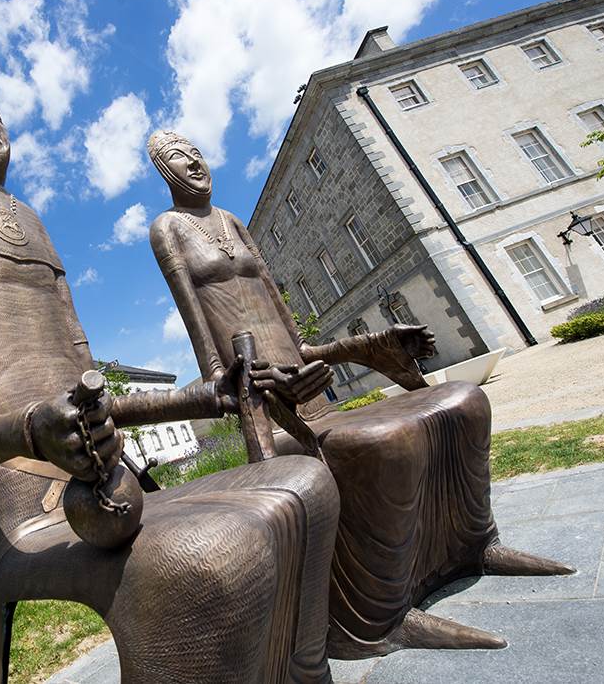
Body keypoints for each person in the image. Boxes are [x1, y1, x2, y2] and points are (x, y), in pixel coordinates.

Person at [0, 71, 340, 683]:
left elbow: (100, 395)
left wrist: (207, 394)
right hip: (37, 520)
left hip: (106, 489)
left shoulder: (32, 219)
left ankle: (300, 671)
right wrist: (32, 429)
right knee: (212, 552)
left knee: (309, 484)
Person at [146, 129, 572, 658]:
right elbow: (212, 361)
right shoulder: (167, 229)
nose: (192, 163)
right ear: (163, 171)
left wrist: (371, 344)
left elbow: (297, 337)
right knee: (382, 441)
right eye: (176, 159)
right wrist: (253, 382)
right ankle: (379, 618)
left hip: (312, 391)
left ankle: (475, 545)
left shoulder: (233, 222)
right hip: (271, 411)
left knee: (464, 401)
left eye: (196, 153)